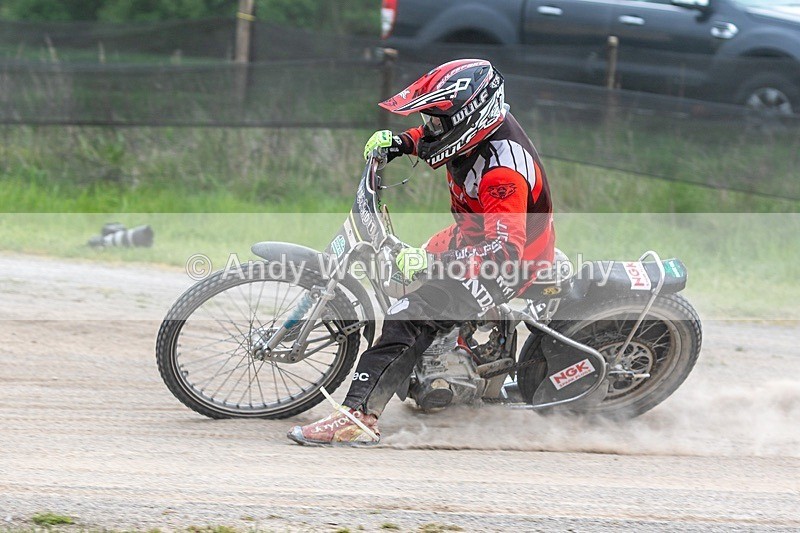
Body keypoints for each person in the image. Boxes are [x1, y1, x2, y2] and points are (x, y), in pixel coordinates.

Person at [287, 59, 554, 446]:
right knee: (405, 275)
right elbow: (438, 135)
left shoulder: (502, 175)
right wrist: (400, 142)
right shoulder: (479, 131)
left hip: (508, 261)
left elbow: (503, 251)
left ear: (470, 119)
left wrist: (434, 263)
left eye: (436, 122)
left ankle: (359, 418)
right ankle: (451, 351)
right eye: (428, 121)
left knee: (407, 315)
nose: (429, 129)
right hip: (474, 236)